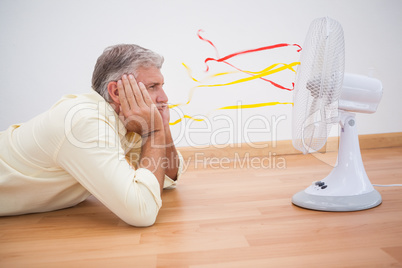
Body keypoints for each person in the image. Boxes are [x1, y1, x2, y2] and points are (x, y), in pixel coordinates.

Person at [0, 44, 183, 227]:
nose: (164, 97)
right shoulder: (84, 122)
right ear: (117, 92)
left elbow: (167, 177)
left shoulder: (126, 120)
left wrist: (163, 128)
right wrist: (154, 132)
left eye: (161, 86)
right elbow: (143, 211)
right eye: (152, 87)